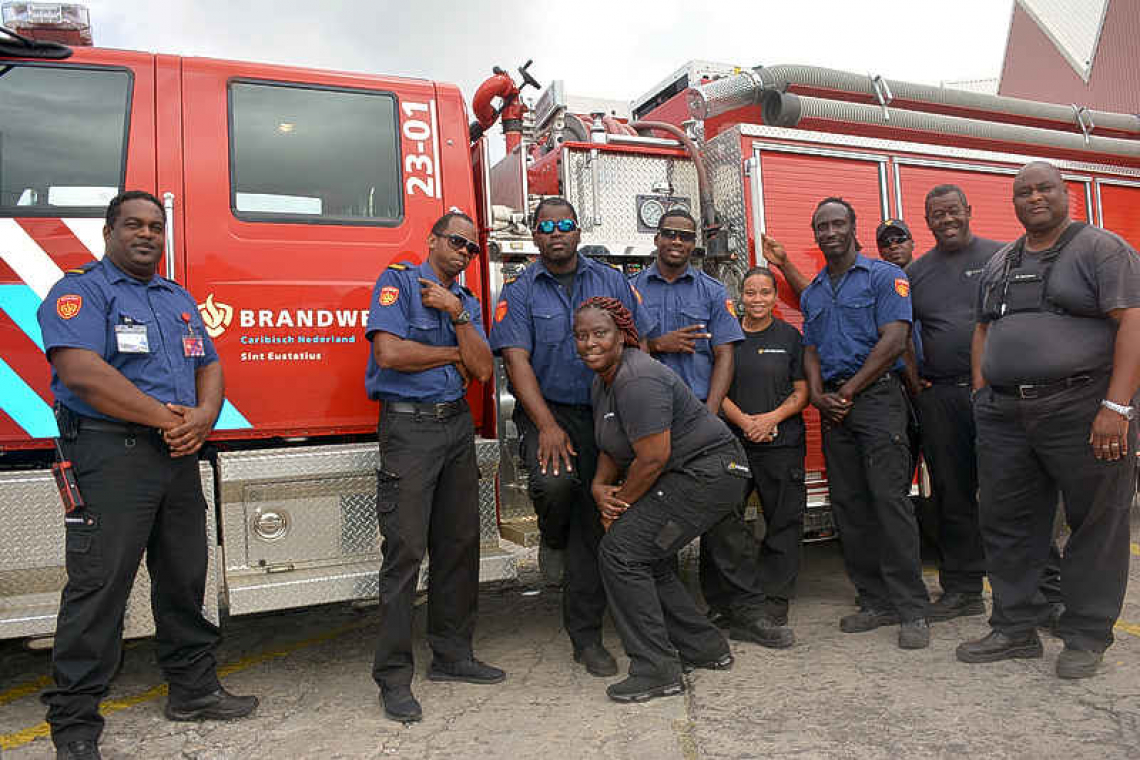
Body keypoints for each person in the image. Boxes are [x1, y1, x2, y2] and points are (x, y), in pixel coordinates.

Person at [36, 191, 257, 760]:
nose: (146, 234)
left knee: (185, 577)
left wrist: (204, 418)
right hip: (114, 456)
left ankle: (193, 689)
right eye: (133, 224)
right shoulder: (81, 292)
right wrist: (167, 419)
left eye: (156, 226)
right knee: (100, 587)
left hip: (179, 456)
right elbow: (81, 371)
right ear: (109, 231)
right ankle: (76, 721)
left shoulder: (176, 297)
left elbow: (209, 363)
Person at [958, 161, 1140, 679]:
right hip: (1004, 414)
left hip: (1082, 408)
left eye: (1044, 189)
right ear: (1011, 202)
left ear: (1067, 195)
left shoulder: (1101, 250)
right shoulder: (1000, 263)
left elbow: (1133, 320)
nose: (1034, 199)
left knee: (1095, 522)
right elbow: (983, 331)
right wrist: (981, 393)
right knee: (1007, 523)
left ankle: (1085, 634)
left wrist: (1116, 406)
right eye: (1023, 192)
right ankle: (1015, 627)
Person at [489, 197, 650, 678]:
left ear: (578, 230)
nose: (556, 233)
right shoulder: (518, 291)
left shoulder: (611, 281)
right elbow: (516, 360)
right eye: (546, 226)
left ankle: (587, 637)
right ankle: (550, 539)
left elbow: (634, 342)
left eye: (565, 225)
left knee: (597, 518)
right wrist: (548, 426)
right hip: (550, 411)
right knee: (556, 487)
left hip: (607, 407)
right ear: (535, 235)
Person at [575, 297, 751, 703]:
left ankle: (656, 669)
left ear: (623, 335)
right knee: (643, 554)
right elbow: (611, 444)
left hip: (711, 473)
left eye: (599, 333)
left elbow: (653, 457)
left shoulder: (636, 378)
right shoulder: (603, 380)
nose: (589, 343)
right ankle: (704, 647)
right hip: (688, 475)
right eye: (581, 336)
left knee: (620, 553)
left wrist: (617, 508)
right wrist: (600, 487)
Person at [366, 211, 505, 722]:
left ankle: (452, 655)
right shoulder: (398, 282)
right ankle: (394, 678)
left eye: (471, 248)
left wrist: (456, 313)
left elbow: (485, 370)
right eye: (455, 242)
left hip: (455, 428)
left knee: (459, 544)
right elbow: (389, 354)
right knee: (405, 551)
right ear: (432, 241)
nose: (463, 253)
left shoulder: (465, 302)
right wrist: (454, 352)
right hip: (410, 430)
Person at [632, 212, 790, 649]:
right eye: (669, 234)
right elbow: (622, 347)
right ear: (657, 238)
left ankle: (741, 609)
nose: (677, 242)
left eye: (686, 236)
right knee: (653, 519)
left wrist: (710, 411)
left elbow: (725, 355)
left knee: (725, 517)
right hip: (651, 421)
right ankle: (658, 618)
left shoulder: (711, 290)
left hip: (703, 420)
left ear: (694, 244)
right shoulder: (631, 290)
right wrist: (658, 344)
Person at [794, 197, 931, 649]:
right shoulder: (813, 291)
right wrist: (817, 396)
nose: (829, 231)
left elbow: (895, 340)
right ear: (815, 235)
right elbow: (810, 350)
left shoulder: (885, 277)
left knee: (890, 503)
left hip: (875, 401)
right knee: (849, 506)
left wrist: (848, 392)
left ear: (853, 228)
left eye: (837, 223)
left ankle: (912, 609)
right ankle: (874, 601)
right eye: (821, 226)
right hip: (834, 408)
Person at [903, 187, 1003, 621]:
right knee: (952, 494)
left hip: (999, 394)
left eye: (952, 211)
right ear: (926, 222)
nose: (945, 219)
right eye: (936, 214)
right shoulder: (916, 273)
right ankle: (962, 590)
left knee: (1013, 495)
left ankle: (1040, 592)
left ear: (969, 211)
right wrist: (914, 381)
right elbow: (901, 331)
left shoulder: (1003, 257)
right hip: (941, 397)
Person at [718, 267, 810, 643]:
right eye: (750, 293)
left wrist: (771, 418)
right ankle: (731, 598)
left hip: (781, 442)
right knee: (725, 521)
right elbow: (716, 389)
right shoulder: (727, 336)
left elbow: (801, 390)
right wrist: (745, 423)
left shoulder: (790, 336)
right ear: (741, 295)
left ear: (775, 297)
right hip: (736, 443)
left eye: (765, 293)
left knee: (784, 521)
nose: (757, 300)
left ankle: (775, 598)